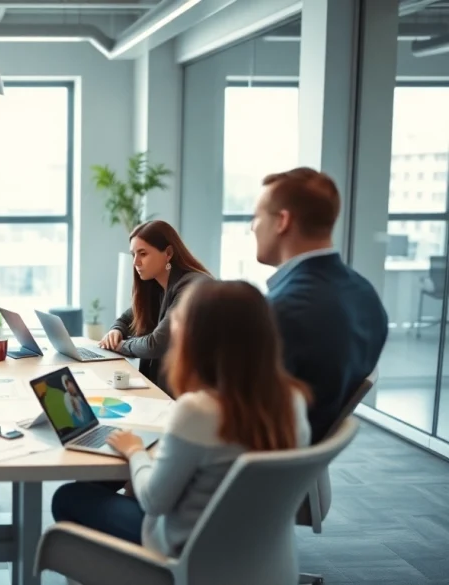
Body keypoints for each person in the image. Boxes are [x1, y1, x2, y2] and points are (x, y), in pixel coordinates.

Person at [52, 280, 312, 557]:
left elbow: (154, 501)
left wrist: (136, 451)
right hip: (262, 553)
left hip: (188, 552)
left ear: (200, 338)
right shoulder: (292, 400)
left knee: (68, 497)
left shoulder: (197, 411)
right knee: (108, 482)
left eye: (179, 321)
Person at [252, 167, 388, 442]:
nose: (252, 226)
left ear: (282, 221)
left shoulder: (281, 311)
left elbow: (245, 413)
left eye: (256, 217)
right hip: (301, 461)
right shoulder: (365, 294)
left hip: (258, 463)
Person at [99, 220, 211, 392]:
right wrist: (116, 330)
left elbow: (156, 343)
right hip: (165, 389)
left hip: (192, 394)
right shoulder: (156, 286)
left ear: (168, 253)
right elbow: (130, 317)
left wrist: (121, 345)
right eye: (133, 255)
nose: (136, 262)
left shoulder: (191, 287)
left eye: (143, 254)